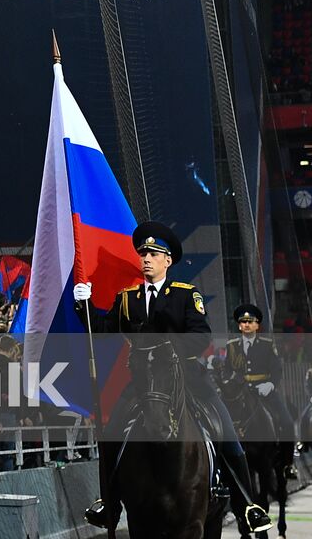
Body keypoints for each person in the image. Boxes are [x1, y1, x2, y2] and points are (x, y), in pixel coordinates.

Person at [73, 222, 272, 534]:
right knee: (111, 435)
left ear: (168, 260)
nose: (146, 258)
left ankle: (248, 505)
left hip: (187, 378)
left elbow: (201, 336)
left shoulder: (184, 295)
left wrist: (167, 348)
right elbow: (100, 329)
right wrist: (82, 304)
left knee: (228, 434)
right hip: (143, 382)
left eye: (153, 254)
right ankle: (108, 503)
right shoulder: (128, 299)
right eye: (143, 253)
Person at [226, 303, 298, 479]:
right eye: (243, 322)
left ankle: (288, 464)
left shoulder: (266, 345)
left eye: (251, 321)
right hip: (240, 392)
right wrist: (230, 378)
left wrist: (270, 384)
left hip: (264, 391)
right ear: (239, 325)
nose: (247, 325)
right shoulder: (232, 345)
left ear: (257, 325)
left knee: (287, 422)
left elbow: (276, 369)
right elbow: (228, 369)